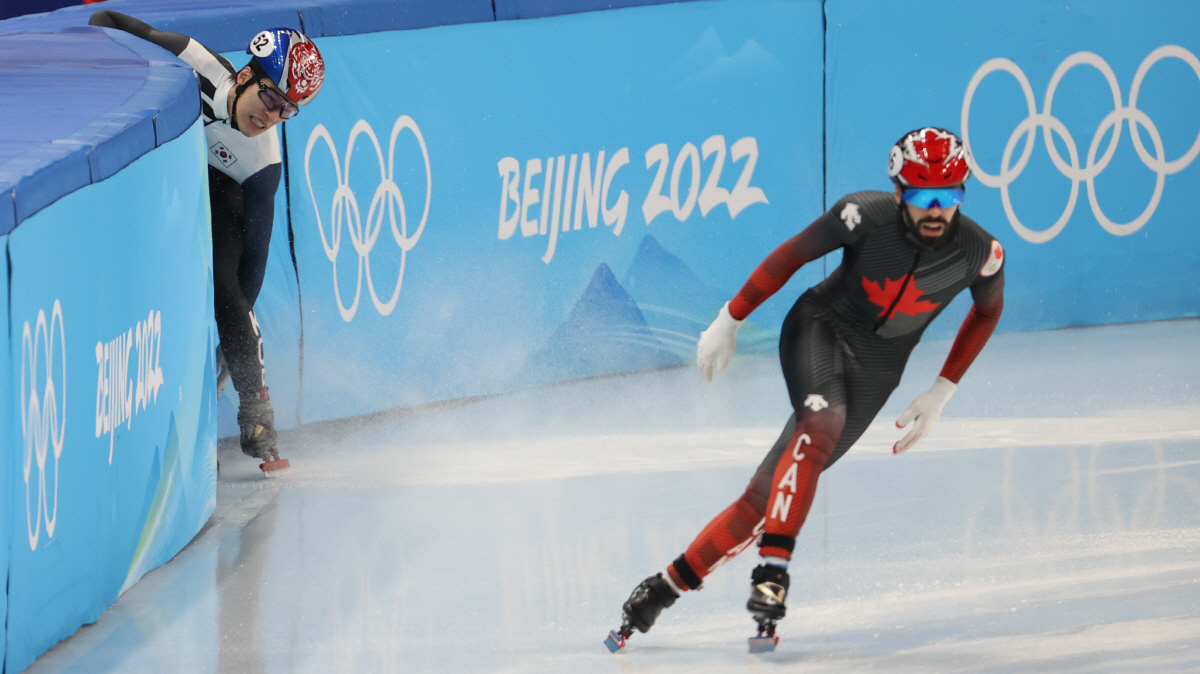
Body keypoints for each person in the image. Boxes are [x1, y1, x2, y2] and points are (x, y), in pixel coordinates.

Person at [615, 127, 1006, 643]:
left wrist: (943, 390)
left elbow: (987, 312)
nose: (936, 210)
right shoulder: (861, 215)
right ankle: (772, 574)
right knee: (821, 425)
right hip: (820, 327)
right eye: (921, 195)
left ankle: (662, 588)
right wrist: (730, 318)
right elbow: (791, 255)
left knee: (771, 492)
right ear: (897, 194)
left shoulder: (982, 252)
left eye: (949, 196)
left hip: (877, 369)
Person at [89, 11, 325, 470]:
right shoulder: (190, 61)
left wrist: (234, 353)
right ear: (245, 73)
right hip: (166, 176)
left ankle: (256, 408)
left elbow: (251, 272)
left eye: (287, 111)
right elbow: (107, 18)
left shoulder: (263, 166)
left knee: (226, 287)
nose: (272, 117)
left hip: (225, 198)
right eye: (272, 97)